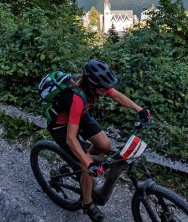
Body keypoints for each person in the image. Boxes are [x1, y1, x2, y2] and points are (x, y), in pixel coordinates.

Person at [46, 59, 151, 222]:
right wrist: (87, 163)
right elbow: (70, 138)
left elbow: (116, 95)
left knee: (104, 145)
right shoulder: (77, 98)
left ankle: (78, 166)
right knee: (86, 165)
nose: (107, 89)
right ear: (93, 85)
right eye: (104, 87)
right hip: (61, 126)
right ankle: (87, 204)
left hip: (80, 116)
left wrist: (139, 109)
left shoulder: (93, 86)